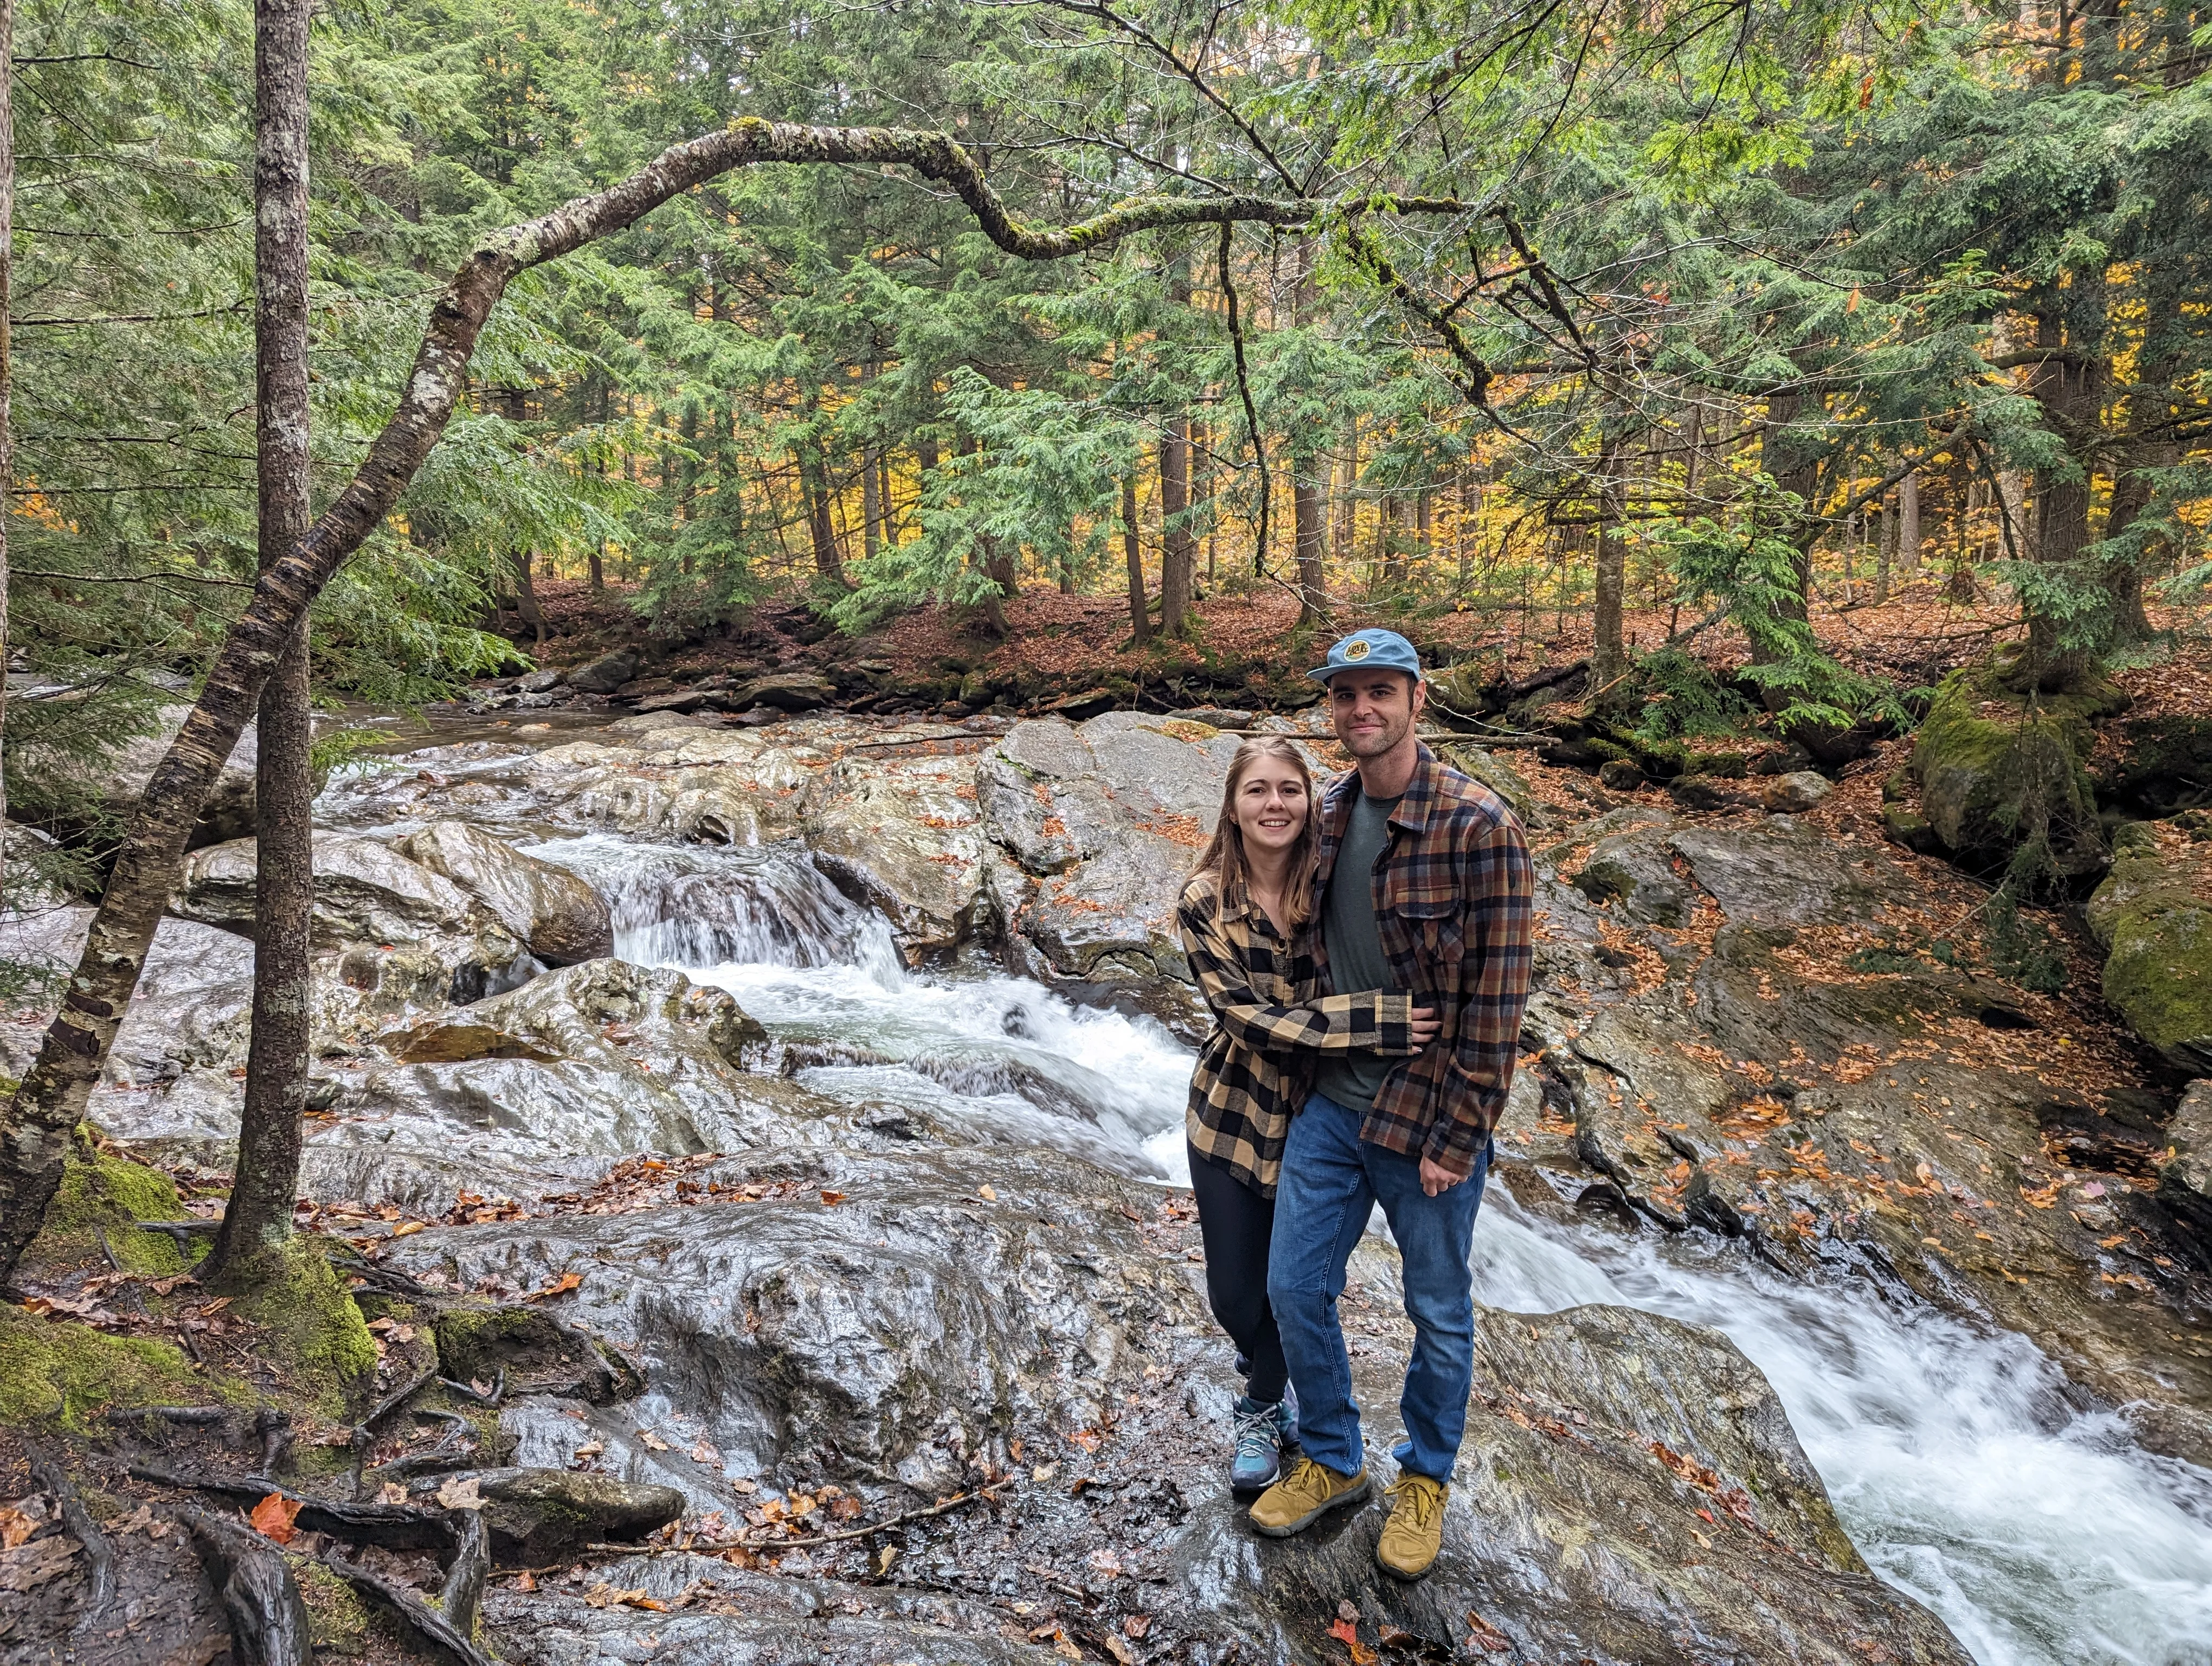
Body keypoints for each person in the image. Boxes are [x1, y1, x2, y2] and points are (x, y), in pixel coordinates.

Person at [1249, 628, 1535, 1582]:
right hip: (1332, 1107)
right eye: (1345, 694)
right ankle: (1334, 1458)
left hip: (1429, 1118)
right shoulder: (1328, 813)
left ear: (1418, 698)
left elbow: (1498, 1002)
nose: (1361, 708)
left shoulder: (1478, 825)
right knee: (1295, 1288)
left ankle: (1426, 1479)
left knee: (1437, 1311)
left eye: (1380, 690)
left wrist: (1462, 1135)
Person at [1176, 736, 1442, 1491]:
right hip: (1231, 1115)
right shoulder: (1203, 901)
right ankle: (1266, 1365)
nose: (1275, 805)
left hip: (1315, 1117)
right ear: (1233, 807)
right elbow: (1248, 1021)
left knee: (1293, 1289)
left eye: (1289, 790)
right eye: (1257, 790)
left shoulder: (1330, 882)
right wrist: (1374, 1021)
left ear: (1310, 802)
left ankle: (1263, 1405)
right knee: (1235, 1297)